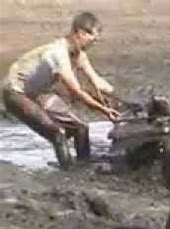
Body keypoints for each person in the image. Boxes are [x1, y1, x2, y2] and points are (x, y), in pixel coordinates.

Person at [2, 11, 119, 169]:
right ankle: (69, 173)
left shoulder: (79, 54)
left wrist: (116, 101)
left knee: (81, 128)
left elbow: (96, 82)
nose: (94, 42)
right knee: (58, 133)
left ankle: (85, 167)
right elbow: (76, 91)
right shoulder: (58, 53)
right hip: (15, 92)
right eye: (93, 38)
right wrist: (104, 111)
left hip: (38, 91)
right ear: (80, 33)